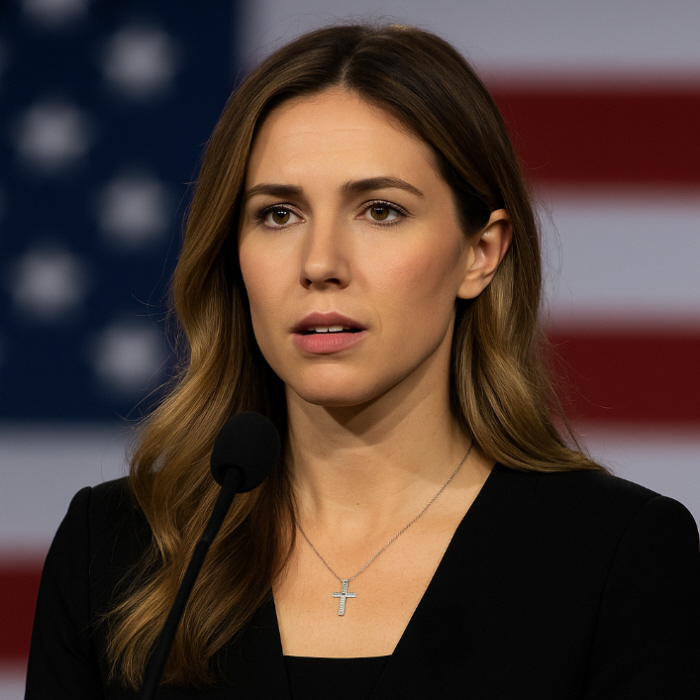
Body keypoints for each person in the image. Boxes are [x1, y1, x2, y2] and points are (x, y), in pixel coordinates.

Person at [26, 23, 700, 700]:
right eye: (279, 214)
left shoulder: (615, 555)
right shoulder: (115, 549)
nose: (320, 263)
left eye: (380, 210)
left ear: (481, 253)